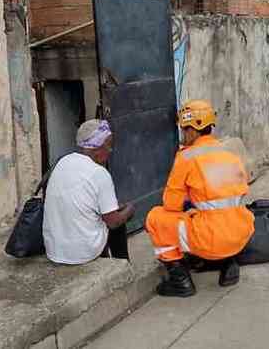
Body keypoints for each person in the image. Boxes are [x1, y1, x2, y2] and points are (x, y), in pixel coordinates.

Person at [146, 100, 255, 297]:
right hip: (240, 234)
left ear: (193, 130)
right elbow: (226, 194)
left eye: (184, 129)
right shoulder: (228, 152)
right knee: (211, 215)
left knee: (156, 218)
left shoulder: (186, 157)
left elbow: (171, 205)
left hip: (213, 239)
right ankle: (229, 264)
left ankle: (180, 280)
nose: (183, 134)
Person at [43, 119, 134, 265]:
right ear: (97, 147)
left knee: (111, 212)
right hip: (81, 254)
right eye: (108, 145)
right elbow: (113, 222)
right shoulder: (99, 173)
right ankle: (122, 264)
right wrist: (129, 209)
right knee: (119, 220)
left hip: (54, 250)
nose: (110, 150)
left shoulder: (62, 161)